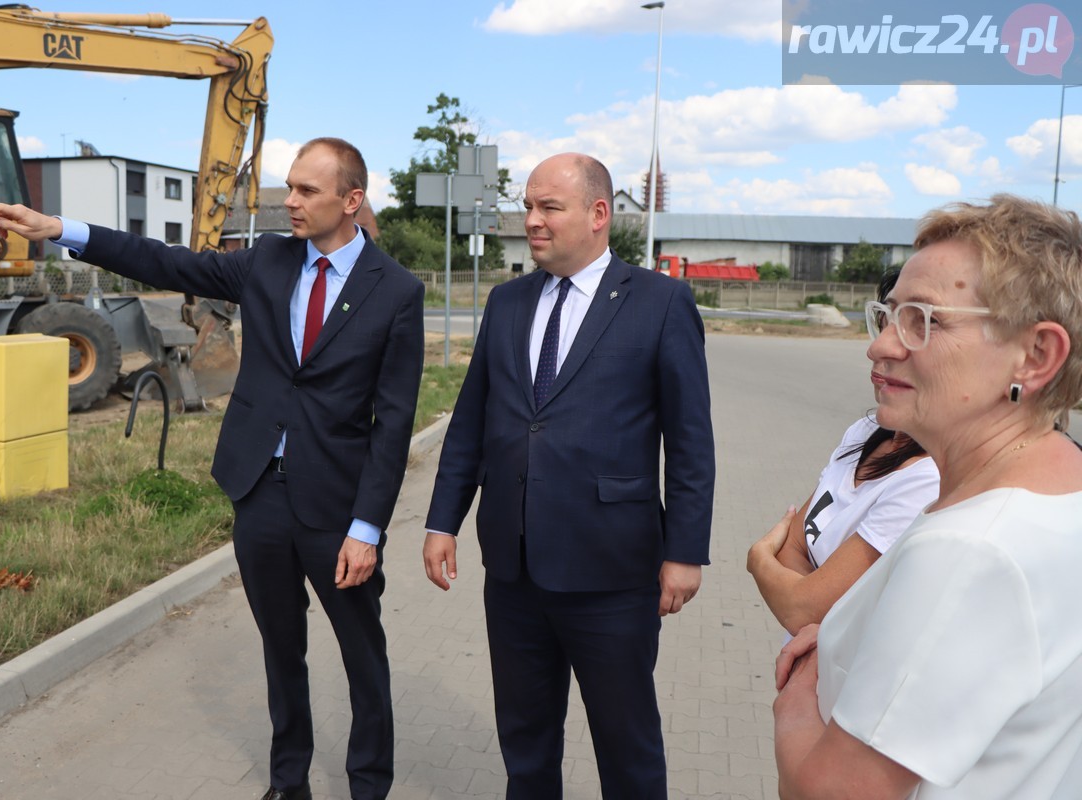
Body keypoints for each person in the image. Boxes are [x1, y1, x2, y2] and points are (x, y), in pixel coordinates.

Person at [0, 137, 425, 800]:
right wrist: (60, 230)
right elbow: (164, 259)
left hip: (337, 505)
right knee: (282, 650)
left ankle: (368, 785)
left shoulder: (397, 292)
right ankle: (288, 782)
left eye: (306, 191)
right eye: (290, 186)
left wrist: (368, 527)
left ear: (351, 200)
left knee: (362, 654)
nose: (290, 201)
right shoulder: (269, 261)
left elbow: (393, 422)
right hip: (260, 493)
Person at [422, 152, 715, 799]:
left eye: (548, 207)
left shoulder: (661, 304)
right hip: (515, 568)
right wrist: (443, 520)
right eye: (528, 206)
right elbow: (470, 423)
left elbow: (691, 443)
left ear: (599, 214)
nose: (531, 220)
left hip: (613, 572)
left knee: (626, 746)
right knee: (525, 745)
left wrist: (686, 552)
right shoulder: (506, 302)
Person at [773, 194, 1082, 799]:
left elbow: (828, 793)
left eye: (924, 320)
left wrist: (800, 689)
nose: (881, 346)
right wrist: (846, 638)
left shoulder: (972, 551)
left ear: (1036, 354)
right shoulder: (1056, 486)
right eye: (887, 316)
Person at [747, 271, 940, 636]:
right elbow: (794, 545)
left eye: (915, 330)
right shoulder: (865, 432)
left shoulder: (928, 479)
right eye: (883, 324)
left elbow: (801, 608)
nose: (878, 347)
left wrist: (759, 560)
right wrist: (809, 601)